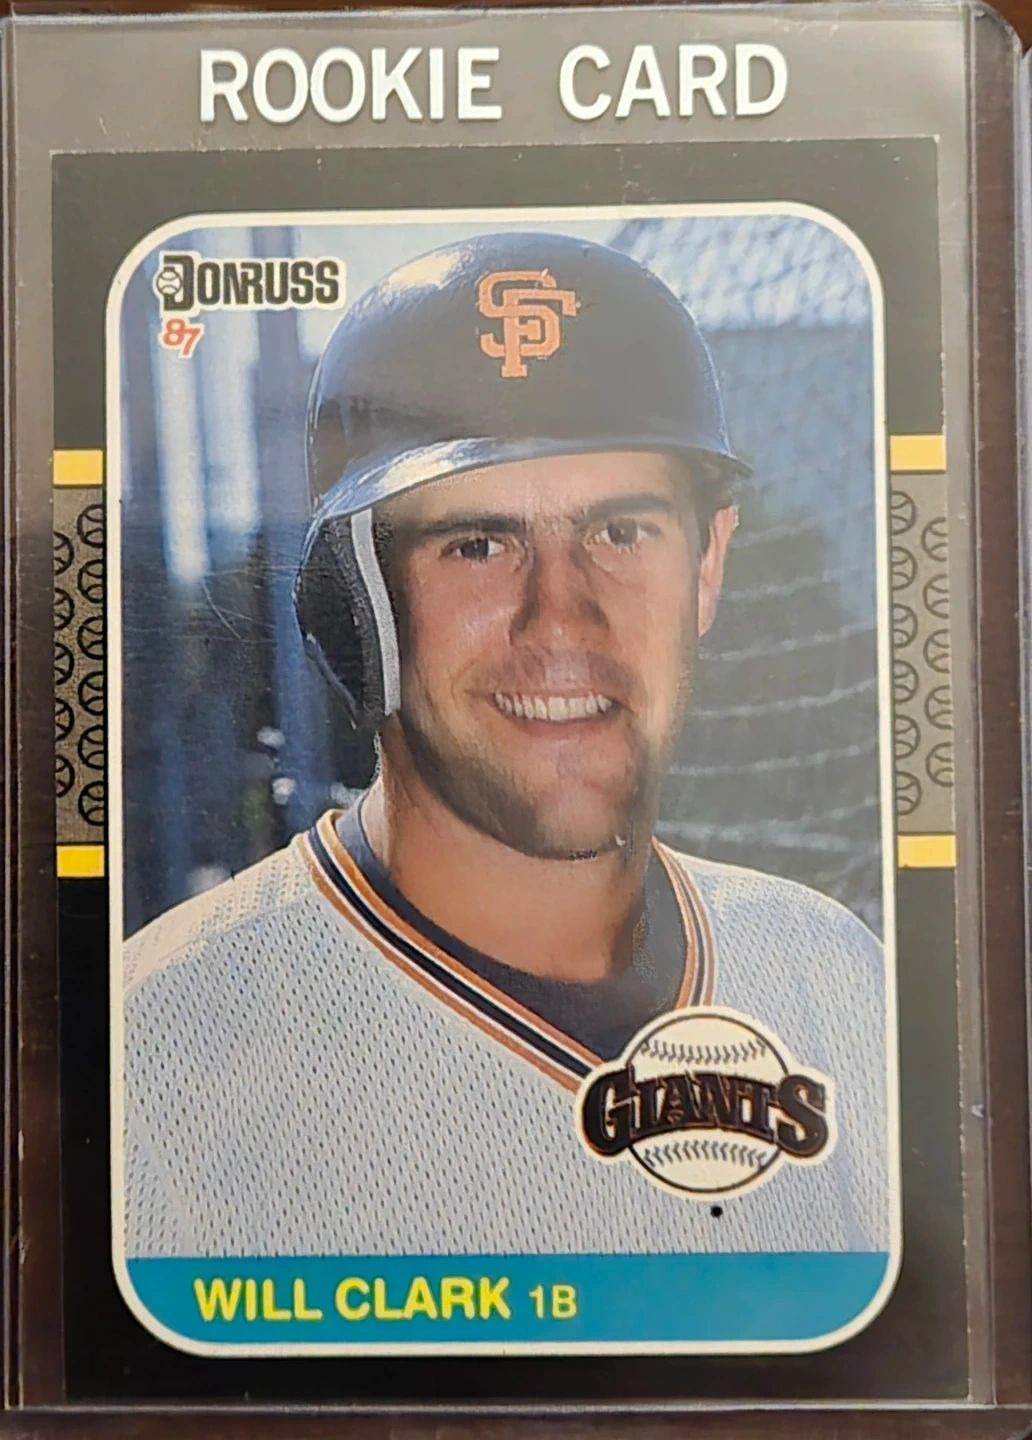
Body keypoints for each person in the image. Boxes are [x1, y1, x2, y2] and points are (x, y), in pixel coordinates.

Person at [123, 231, 887, 1260]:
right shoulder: (155, 1045)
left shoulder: (832, 975)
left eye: (621, 533)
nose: (561, 620)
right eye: (478, 545)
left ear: (708, 567)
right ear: (362, 603)